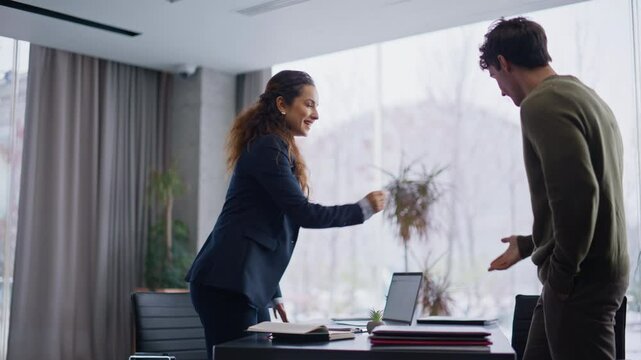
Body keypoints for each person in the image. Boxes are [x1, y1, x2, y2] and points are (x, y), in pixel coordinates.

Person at [185, 70, 386, 360]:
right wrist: (362, 209)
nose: (316, 114)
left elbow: (262, 227)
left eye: (316, 106)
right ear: (282, 105)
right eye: (309, 104)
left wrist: (273, 292)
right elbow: (303, 213)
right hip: (226, 285)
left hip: (239, 283)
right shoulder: (269, 147)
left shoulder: (276, 147)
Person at [480, 17, 629, 360]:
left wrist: (561, 276)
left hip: (580, 278)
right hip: (594, 269)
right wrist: (531, 245)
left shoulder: (542, 103)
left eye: (495, 77)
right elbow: (593, 196)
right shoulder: (585, 97)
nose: (501, 90)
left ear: (504, 62)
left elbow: (579, 196)